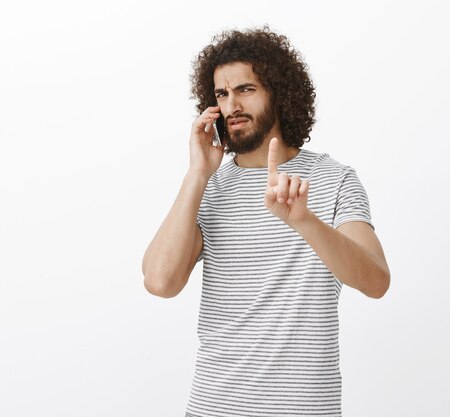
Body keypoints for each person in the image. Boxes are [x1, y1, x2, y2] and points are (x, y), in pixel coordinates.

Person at [141, 25, 391, 417]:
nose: (231, 106)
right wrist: (196, 175)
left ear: (279, 92)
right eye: (221, 94)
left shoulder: (334, 179)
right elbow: (159, 281)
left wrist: (304, 221)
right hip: (213, 406)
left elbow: (376, 281)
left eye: (245, 89)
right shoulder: (209, 187)